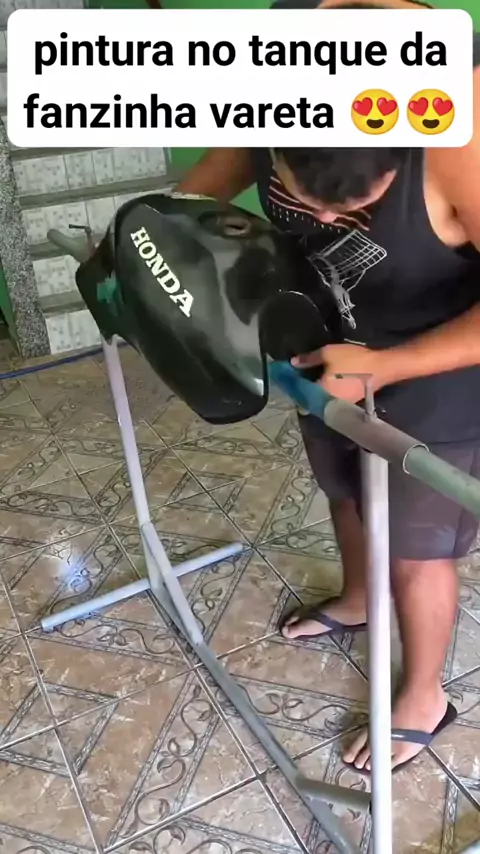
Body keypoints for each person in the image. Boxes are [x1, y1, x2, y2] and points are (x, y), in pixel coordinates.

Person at [176, 0, 480, 774]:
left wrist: (388, 365)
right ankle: (359, 598)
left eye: (354, 209)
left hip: (440, 361)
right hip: (328, 339)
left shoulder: (463, 125)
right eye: (298, 197)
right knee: (345, 487)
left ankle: (425, 697)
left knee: (416, 545)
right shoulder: (280, 59)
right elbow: (201, 194)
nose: (318, 221)